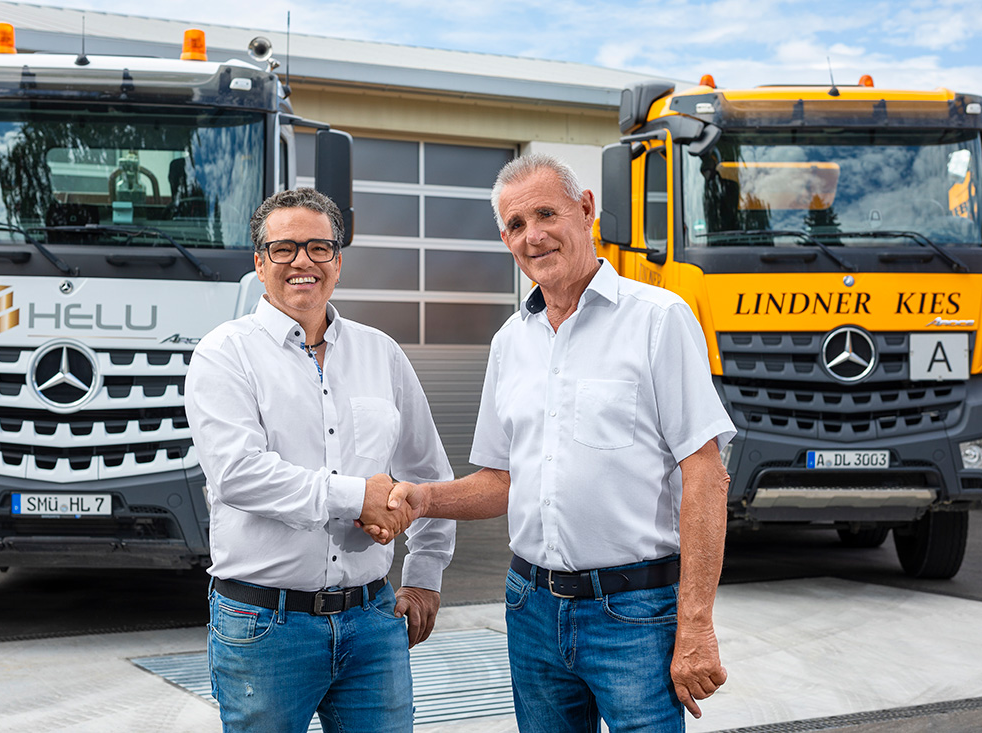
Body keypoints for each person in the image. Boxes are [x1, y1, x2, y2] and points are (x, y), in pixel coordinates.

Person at [366, 154, 736, 732]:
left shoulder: (659, 320)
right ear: (505, 240)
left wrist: (695, 624)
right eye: (516, 225)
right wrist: (423, 498)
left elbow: (706, 474)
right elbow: (501, 481)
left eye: (546, 214)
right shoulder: (510, 342)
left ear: (585, 209)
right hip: (531, 608)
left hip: (634, 612)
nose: (533, 235)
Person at [185, 187, 455, 733]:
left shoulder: (381, 353)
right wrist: (359, 498)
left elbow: (428, 473)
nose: (302, 261)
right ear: (259, 263)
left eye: (319, 247)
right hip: (265, 627)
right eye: (283, 249)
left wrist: (425, 574)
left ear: (338, 261)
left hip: (373, 622)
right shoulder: (224, 353)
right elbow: (239, 474)